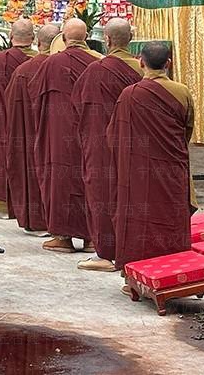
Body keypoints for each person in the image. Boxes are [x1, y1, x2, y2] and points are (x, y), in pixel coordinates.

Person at [108, 42, 194, 275]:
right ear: (169, 64)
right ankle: (176, 272)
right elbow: (187, 129)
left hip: (137, 170)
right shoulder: (182, 91)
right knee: (171, 214)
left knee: (138, 217)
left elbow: (114, 136)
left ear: (141, 61)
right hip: (171, 167)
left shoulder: (129, 95)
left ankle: (135, 273)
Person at [72, 19, 142, 273]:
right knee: (133, 194)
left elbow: (79, 105)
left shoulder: (96, 70)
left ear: (108, 41)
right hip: (137, 144)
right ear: (130, 39)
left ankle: (105, 252)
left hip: (101, 142)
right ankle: (133, 248)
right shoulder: (141, 68)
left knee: (101, 192)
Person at [31, 18, 102, 253]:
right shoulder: (99, 63)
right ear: (87, 36)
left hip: (60, 133)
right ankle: (92, 238)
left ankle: (63, 238)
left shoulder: (52, 64)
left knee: (60, 181)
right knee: (90, 180)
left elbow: (36, 96)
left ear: (62, 37)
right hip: (92, 133)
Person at [4, 23, 60, 233]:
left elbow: (12, 105)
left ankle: (37, 219)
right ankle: (61, 225)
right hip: (59, 134)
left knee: (32, 168)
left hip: (29, 132)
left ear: (38, 42)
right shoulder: (69, 67)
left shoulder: (24, 71)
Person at [0, 19, 37, 213]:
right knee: (27, 161)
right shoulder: (39, 63)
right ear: (33, 38)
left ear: (10, 36)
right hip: (27, 125)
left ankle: (0, 205)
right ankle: (26, 208)